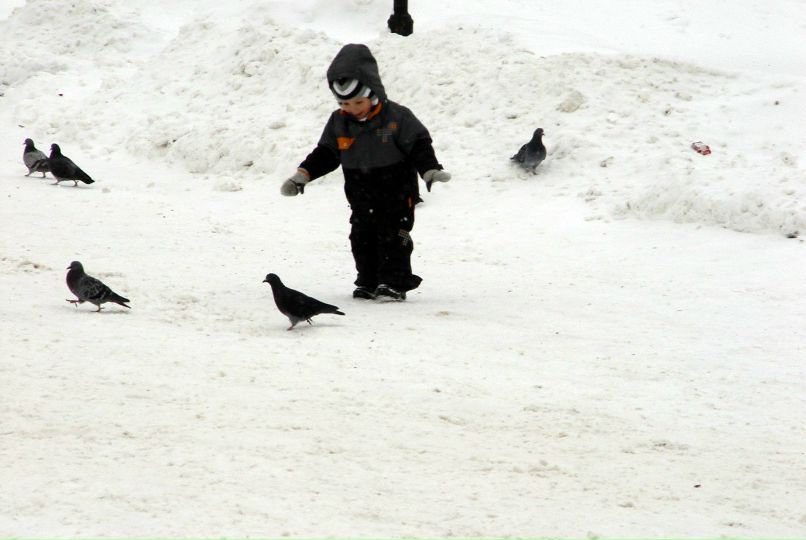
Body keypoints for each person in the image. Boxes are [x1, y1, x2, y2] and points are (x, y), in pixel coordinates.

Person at [280, 43, 451, 301]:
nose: (352, 108)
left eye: (358, 101)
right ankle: (369, 281)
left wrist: (429, 170)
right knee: (361, 238)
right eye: (345, 103)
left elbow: (418, 144)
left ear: (372, 94)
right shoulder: (339, 123)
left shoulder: (397, 118)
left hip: (397, 193)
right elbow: (326, 153)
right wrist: (303, 175)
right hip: (361, 195)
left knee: (395, 238)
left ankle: (394, 282)